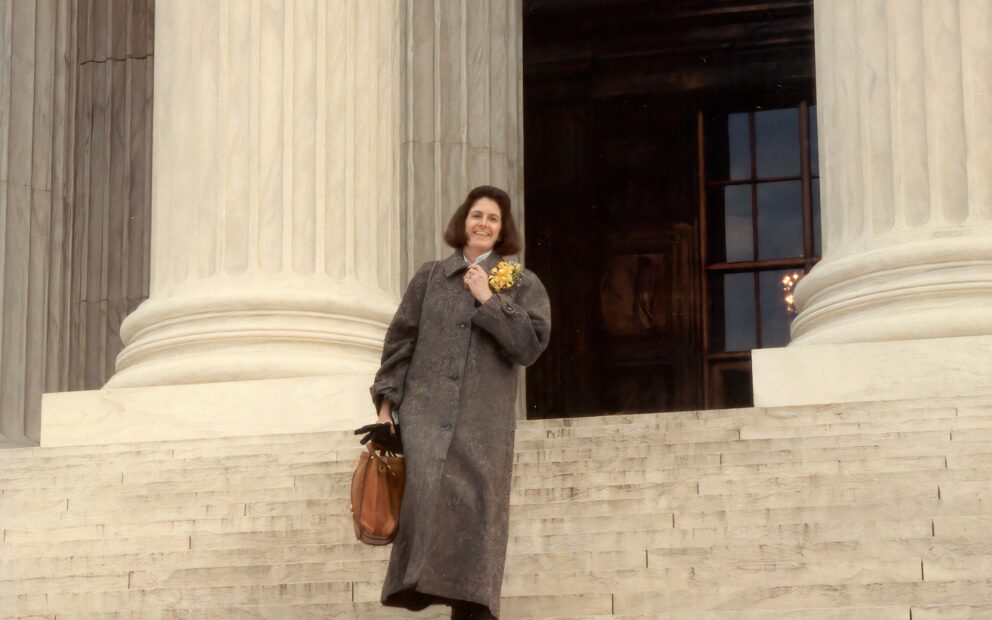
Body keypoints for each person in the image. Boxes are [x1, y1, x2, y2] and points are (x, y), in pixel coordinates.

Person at [370, 185, 552, 619]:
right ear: (462, 222)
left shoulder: (521, 283)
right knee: (433, 521)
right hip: (426, 422)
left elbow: (529, 346)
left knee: (476, 535)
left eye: (492, 218)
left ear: (502, 230)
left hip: (482, 427)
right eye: (477, 216)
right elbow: (400, 345)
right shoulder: (430, 277)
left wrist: (489, 299)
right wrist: (385, 410)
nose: (483, 224)